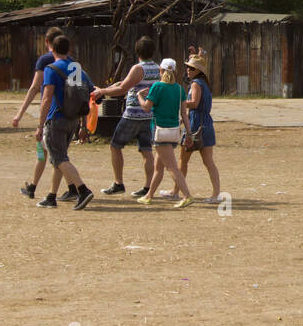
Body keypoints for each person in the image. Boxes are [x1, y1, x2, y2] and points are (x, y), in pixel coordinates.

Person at [33, 36, 96, 210]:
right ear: (69, 50)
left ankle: (82, 190)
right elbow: (82, 97)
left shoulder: (51, 68)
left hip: (56, 118)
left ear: (52, 49)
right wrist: (83, 124)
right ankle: (51, 196)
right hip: (72, 119)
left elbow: (46, 98)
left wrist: (40, 125)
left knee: (60, 158)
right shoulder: (76, 68)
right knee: (58, 159)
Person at [92, 36, 159, 197]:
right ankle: (148, 186)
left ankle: (118, 182)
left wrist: (102, 91)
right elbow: (125, 83)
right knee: (146, 150)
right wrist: (106, 88)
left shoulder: (137, 68)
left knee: (115, 146)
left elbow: (122, 88)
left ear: (137, 52)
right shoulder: (157, 68)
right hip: (149, 114)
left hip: (133, 114)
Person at [137, 58, 194, 208]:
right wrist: (189, 133)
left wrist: (139, 97)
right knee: (158, 167)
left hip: (160, 131)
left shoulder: (157, 86)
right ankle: (149, 195)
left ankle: (187, 195)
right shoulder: (180, 89)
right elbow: (184, 114)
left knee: (172, 167)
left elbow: (146, 108)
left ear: (160, 71)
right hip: (173, 131)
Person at [166, 52, 223, 204]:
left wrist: (179, 102)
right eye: (187, 67)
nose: (188, 70)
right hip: (206, 123)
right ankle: (215, 194)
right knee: (208, 162)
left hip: (196, 123)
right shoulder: (204, 83)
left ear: (198, 71)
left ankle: (175, 191)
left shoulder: (196, 83)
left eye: (191, 68)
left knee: (183, 160)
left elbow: (194, 103)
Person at [15, 27, 64, 198]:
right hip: (67, 113)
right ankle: (71, 187)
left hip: (50, 114)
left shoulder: (45, 60)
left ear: (47, 42)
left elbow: (35, 87)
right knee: (59, 153)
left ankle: (35, 188)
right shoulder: (70, 61)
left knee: (44, 153)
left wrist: (20, 114)